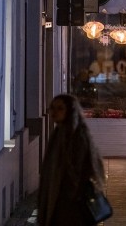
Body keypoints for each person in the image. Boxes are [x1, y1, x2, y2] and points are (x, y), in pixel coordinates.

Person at [38, 94, 106, 226]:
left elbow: (80, 170)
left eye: (60, 108)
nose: (54, 112)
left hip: (71, 203)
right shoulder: (58, 133)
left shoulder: (77, 136)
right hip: (57, 197)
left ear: (70, 111)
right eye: (52, 108)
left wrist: (71, 195)